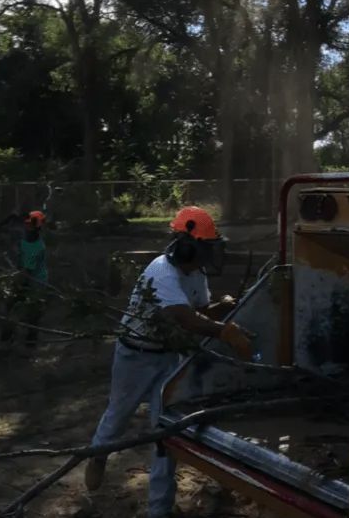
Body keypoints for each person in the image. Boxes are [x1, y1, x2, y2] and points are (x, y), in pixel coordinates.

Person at [85, 206, 253, 518]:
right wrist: (226, 332)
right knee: (118, 416)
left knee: (166, 433)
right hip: (135, 356)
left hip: (167, 357)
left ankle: (158, 510)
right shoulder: (160, 272)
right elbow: (186, 319)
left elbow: (200, 312)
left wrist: (225, 308)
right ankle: (97, 455)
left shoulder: (196, 274)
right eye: (204, 248)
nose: (208, 257)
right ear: (188, 246)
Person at [0, 210, 49, 348]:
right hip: (28, 277)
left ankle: (29, 343)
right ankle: (7, 341)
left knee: (31, 311)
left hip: (35, 281)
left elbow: (26, 271)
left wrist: (12, 281)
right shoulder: (26, 240)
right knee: (12, 307)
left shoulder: (35, 245)